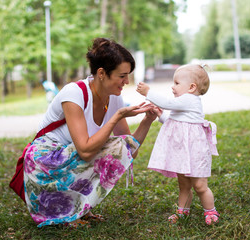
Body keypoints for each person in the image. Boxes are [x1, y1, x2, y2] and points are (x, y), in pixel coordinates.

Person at [23, 38, 157, 228]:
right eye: (122, 76)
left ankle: (77, 209)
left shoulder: (114, 97)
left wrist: (147, 120)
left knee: (115, 147)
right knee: (96, 148)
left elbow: (129, 150)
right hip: (44, 163)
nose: (127, 82)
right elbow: (85, 151)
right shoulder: (74, 93)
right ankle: (66, 213)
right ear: (101, 73)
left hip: (69, 157)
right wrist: (116, 117)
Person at [136, 64, 220, 225]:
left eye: (176, 83)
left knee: (200, 186)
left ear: (191, 87)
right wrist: (161, 115)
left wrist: (148, 93)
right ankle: (182, 212)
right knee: (184, 185)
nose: (172, 87)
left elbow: (167, 103)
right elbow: (173, 122)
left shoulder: (190, 100)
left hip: (195, 152)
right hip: (183, 154)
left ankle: (210, 211)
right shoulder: (182, 103)